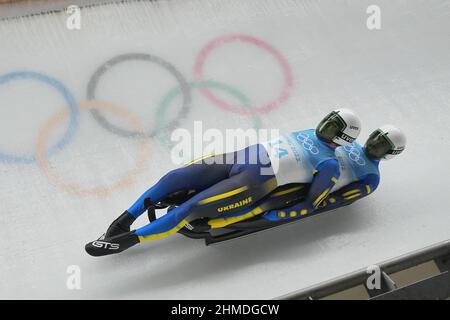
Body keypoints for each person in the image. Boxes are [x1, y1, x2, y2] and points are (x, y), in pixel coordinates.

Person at [85, 109, 361, 256]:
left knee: (189, 209)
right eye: (328, 121)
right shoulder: (306, 132)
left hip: (253, 183)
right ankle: (124, 219)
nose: (325, 128)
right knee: (173, 178)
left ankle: (131, 239)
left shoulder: (330, 164)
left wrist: (283, 206)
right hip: (235, 159)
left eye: (333, 128)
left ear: (342, 140)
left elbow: (314, 199)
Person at [259, 125, 407, 221]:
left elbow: (339, 198)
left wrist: (299, 209)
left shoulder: (371, 178)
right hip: (290, 167)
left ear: (389, 153)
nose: (374, 143)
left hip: (301, 189)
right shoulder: (349, 142)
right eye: (375, 137)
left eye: (381, 144)